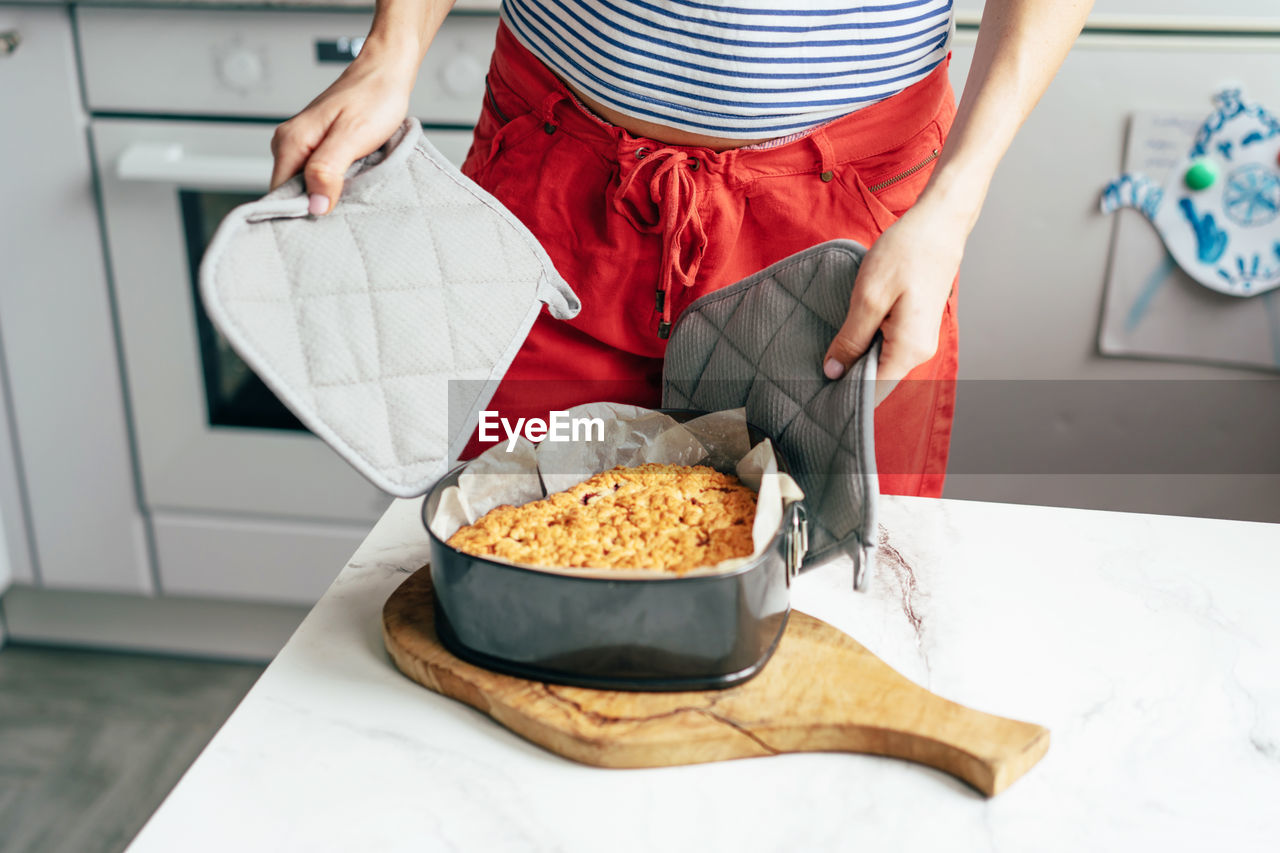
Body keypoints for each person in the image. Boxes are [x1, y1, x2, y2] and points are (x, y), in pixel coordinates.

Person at [270, 0, 1093, 497]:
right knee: (511, 565)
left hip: (841, 229)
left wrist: (952, 204)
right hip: (550, 203)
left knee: (819, 602)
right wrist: (391, 49)